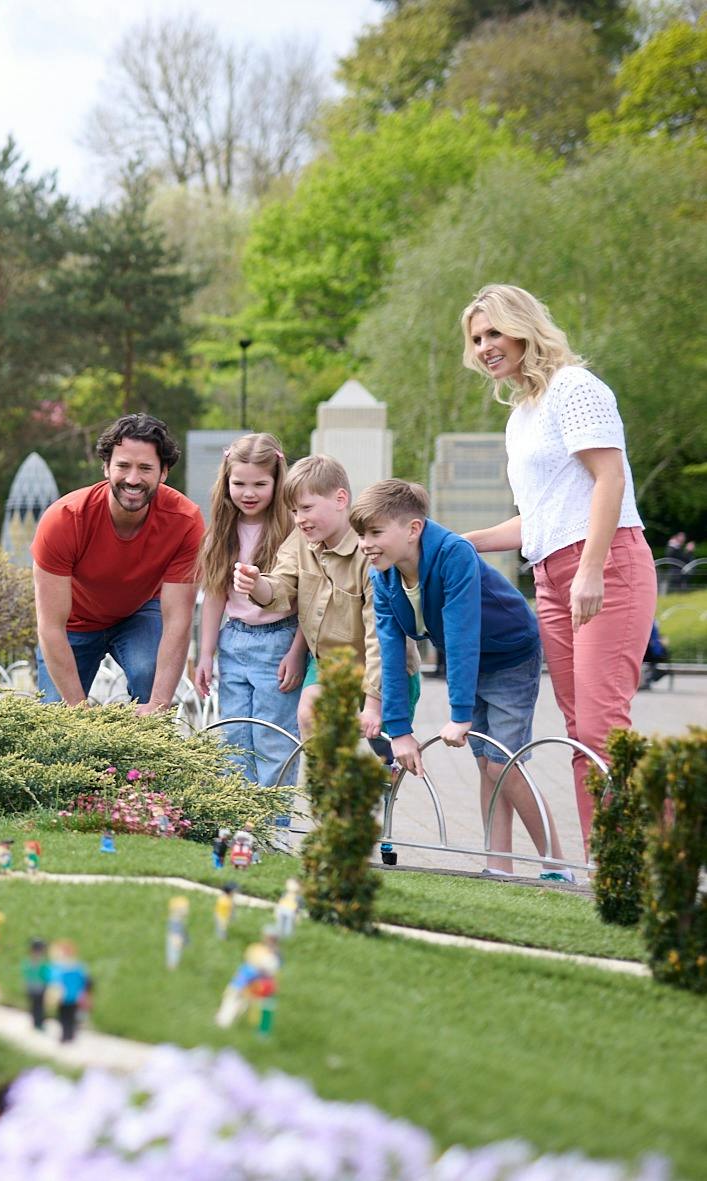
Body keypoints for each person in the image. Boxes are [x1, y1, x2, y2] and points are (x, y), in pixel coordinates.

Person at [457, 285, 656, 834]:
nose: (484, 347)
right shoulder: (521, 416)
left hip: (607, 566)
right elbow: (537, 519)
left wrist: (591, 570)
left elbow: (609, 479)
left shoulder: (575, 387)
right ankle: (606, 860)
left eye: (494, 332)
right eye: (476, 339)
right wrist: (458, 543)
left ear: (524, 328)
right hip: (549, 577)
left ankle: (648, 849)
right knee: (580, 734)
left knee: (600, 730)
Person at [353, 479, 566, 877]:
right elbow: (392, 652)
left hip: (509, 655)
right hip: (470, 662)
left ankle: (558, 863)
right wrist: (399, 731)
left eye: (375, 533)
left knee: (503, 764)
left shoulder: (453, 554)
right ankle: (499, 866)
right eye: (362, 535)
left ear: (413, 529)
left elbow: (461, 633)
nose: (366, 543)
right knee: (487, 762)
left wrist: (459, 713)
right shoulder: (383, 577)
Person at [233, 455, 413, 745]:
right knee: (310, 715)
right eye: (294, 511)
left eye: (306, 508)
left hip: (384, 665)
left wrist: (372, 705)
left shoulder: (370, 553)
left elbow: (381, 637)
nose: (299, 519)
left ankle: (388, 769)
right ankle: (325, 774)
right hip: (331, 663)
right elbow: (280, 588)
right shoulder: (301, 540)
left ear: (340, 499)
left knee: (387, 750)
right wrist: (256, 585)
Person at [32, 414, 205, 712]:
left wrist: (158, 704)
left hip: (139, 612)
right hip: (74, 623)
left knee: (149, 675)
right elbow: (50, 626)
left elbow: (178, 620)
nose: (133, 479)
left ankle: (144, 743)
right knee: (57, 716)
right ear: (106, 467)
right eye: (123, 466)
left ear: (163, 472)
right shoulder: (64, 520)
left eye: (145, 468)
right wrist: (78, 711)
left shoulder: (185, 522)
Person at [192, 432, 306, 790]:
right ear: (226, 482)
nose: (248, 493)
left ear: (277, 481)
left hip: (279, 642)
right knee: (234, 740)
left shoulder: (292, 530)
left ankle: (275, 820)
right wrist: (205, 654)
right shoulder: (222, 531)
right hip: (234, 641)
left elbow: (309, 600)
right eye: (239, 483)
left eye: (260, 484)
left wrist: (297, 652)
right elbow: (215, 594)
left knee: (273, 740)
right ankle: (242, 815)